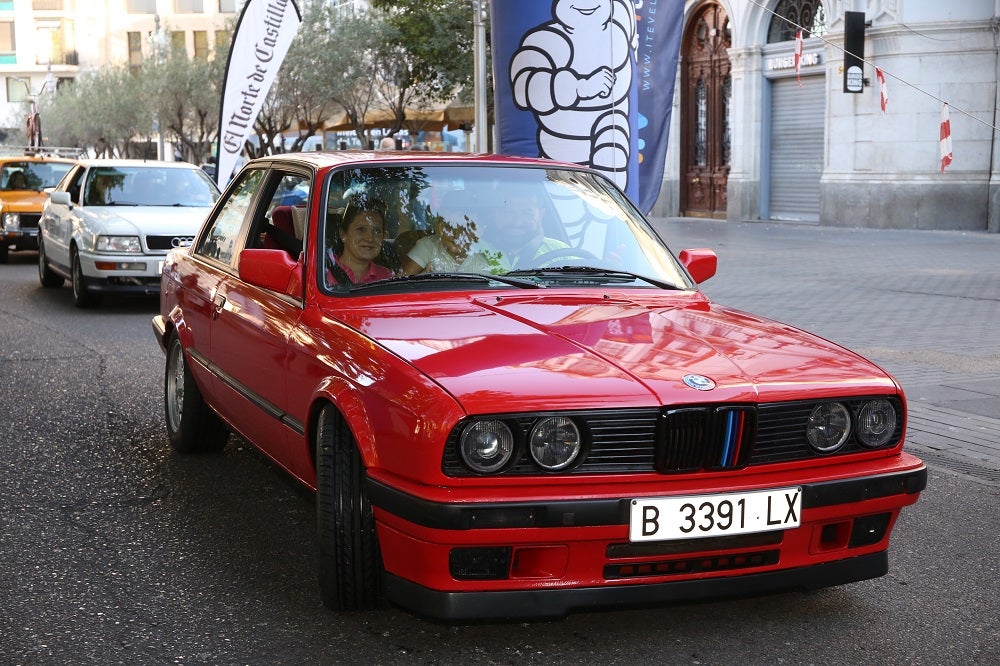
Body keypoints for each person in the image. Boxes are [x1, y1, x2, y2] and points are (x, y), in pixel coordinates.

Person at [489, 193, 568, 269]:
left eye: (527, 213)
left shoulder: (561, 253)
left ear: (541, 215)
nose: (517, 222)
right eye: (508, 211)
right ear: (495, 213)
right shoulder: (479, 250)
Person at [327, 198, 394, 285]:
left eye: (377, 231)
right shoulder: (322, 272)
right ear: (343, 234)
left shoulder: (387, 277)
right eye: (361, 229)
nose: (370, 238)